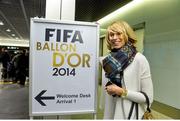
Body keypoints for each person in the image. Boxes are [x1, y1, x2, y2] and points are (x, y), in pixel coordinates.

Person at [100, 21, 153, 119]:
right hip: (109, 113)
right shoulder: (106, 61)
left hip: (129, 115)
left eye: (119, 34)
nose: (115, 38)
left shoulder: (139, 59)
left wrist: (122, 92)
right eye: (111, 35)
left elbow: (147, 98)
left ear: (127, 35)